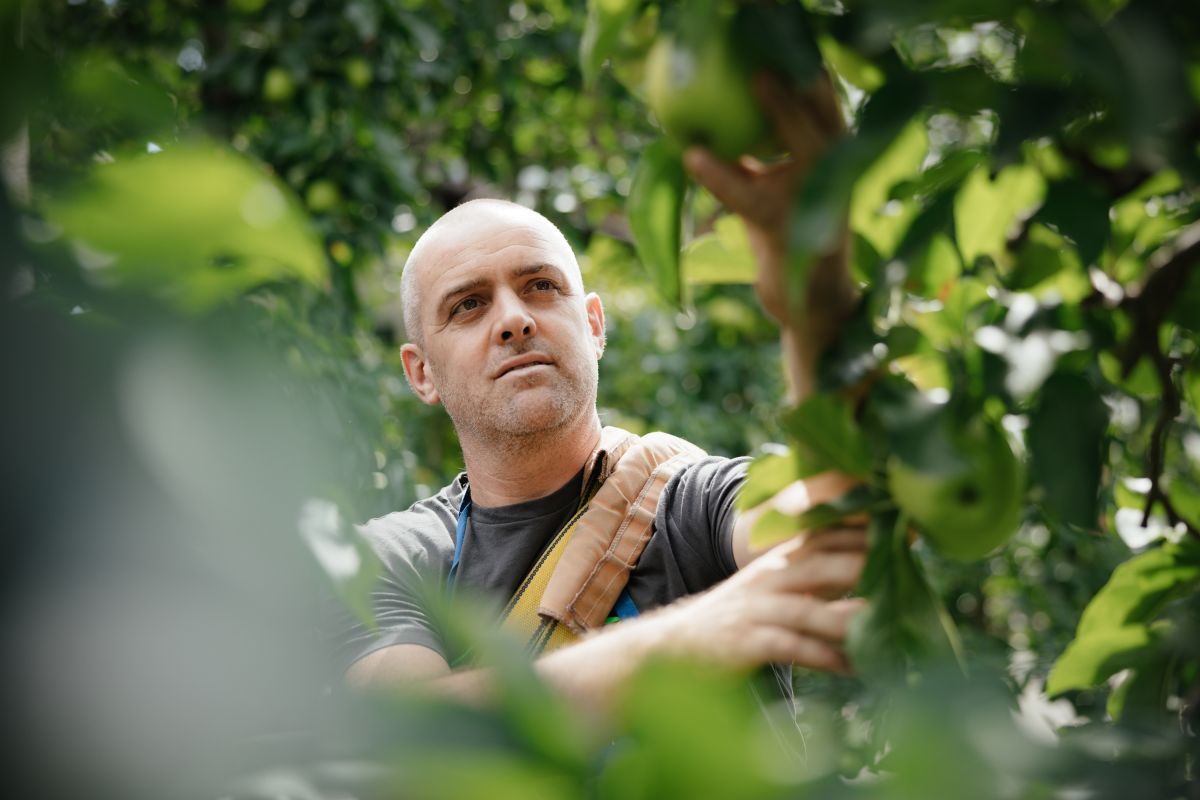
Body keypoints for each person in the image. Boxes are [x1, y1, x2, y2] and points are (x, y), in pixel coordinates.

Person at [336, 75, 865, 715]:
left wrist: (817, 298)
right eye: (468, 305)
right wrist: (698, 635)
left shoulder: (694, 502)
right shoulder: (391, 559)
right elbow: (406, 734)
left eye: (540, 286)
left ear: (593, 326)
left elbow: (839, 533)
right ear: (421, 372)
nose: (514, 319)